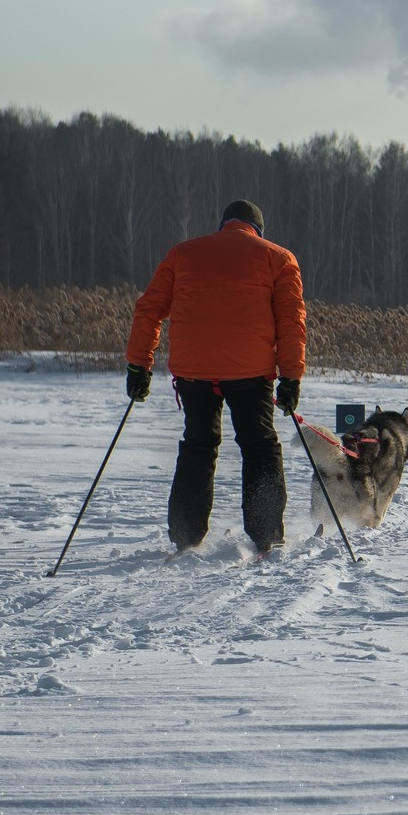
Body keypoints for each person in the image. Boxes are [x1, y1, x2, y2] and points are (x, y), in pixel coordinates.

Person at [124, 199, 308, 554]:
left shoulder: (182, 254)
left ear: (223, 224)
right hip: (251, 373)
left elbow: (148, 310)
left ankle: (186, 536)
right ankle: (267, 534)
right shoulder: (279, 258)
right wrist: (291, 377)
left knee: (198, 444)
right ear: (258, 230)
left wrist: (138, 365)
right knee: (259, 446)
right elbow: (291, 322)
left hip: (194, 372)